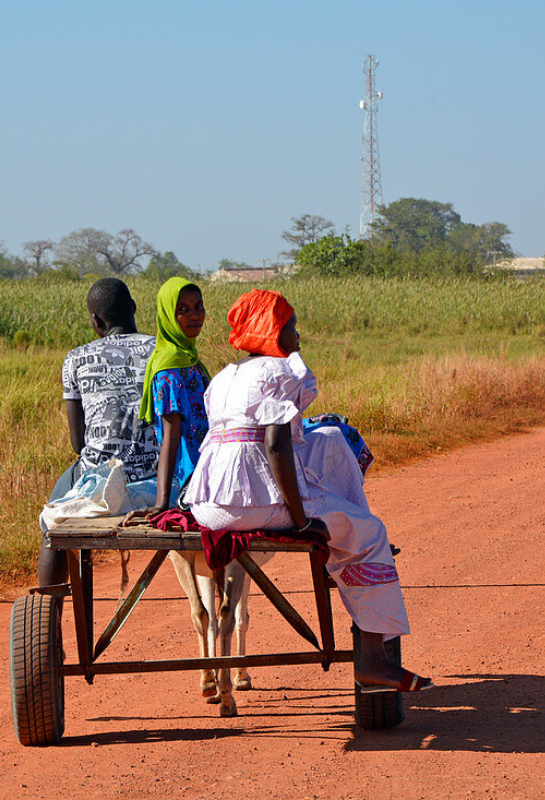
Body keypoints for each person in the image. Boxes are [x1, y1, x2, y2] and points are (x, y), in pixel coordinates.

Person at [182, 289, 432, 693]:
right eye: (291, 327)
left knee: (330, 440)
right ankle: (371, 659)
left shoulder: (225, 377)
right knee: (369, 533)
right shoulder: (279, 372)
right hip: (251, 505)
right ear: (272, 332)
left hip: (208, 504)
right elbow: (276, 445)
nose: (297, 337)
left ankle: (343, 554)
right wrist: (301, 522)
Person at [38, 277, 158, 587]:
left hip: (100, 481)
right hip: (161, 477)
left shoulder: (76, 359)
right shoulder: (162, 350)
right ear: (133, 308)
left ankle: (50, 604)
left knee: (50, 521)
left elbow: (79, 444)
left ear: (96, 320)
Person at [124, 277, 211, 519]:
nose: (194, 315)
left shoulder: (189, 358)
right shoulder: (169, 370)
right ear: (168, 317)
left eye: (198, 307)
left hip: (208, 465)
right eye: (182, 310)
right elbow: (171, 436)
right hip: (193, 476)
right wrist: (162, 504)